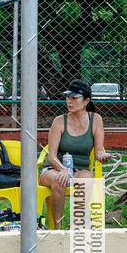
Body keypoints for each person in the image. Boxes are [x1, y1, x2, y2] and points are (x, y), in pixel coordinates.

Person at [39, 79, 110, 228]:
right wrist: (62, 169)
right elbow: (51, 155)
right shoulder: (59, 121)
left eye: (74, 98)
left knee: (88, 179)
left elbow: (98, 151)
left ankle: (76, 225)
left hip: (80, 169)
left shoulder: (96, 120)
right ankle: (56, 228)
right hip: (54, 168)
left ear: (86, 101)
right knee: (60, 179)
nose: (69, 101)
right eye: (67, 97)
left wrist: (102, 156)